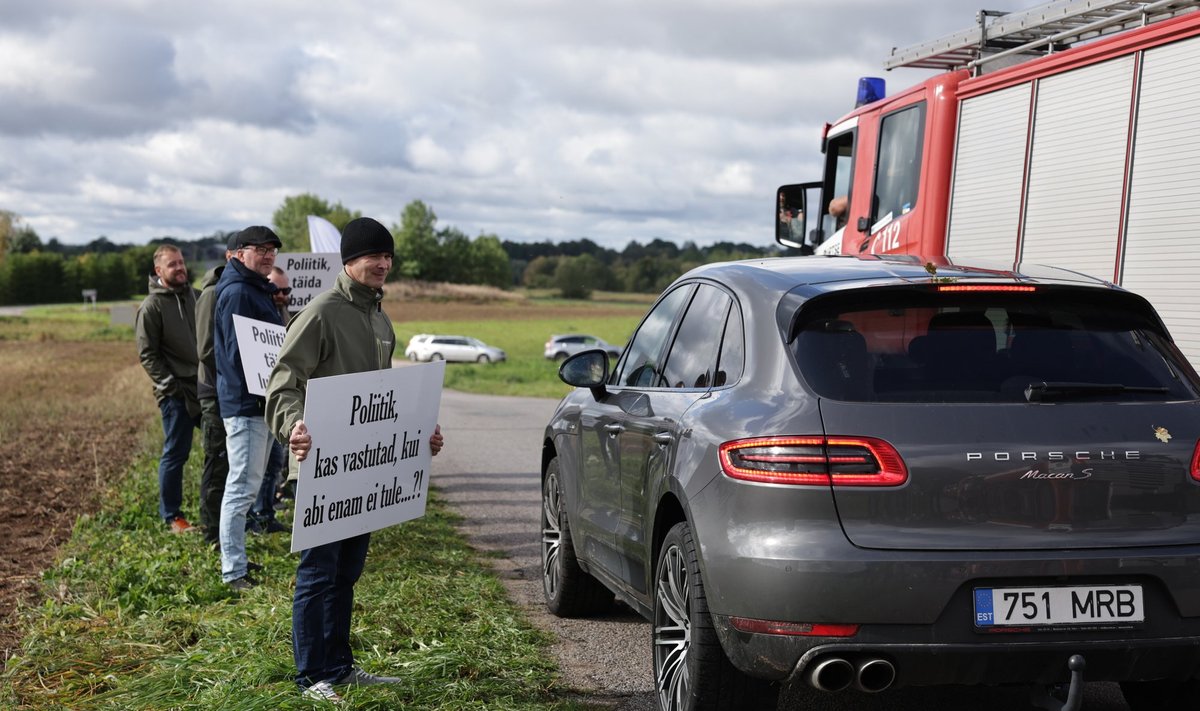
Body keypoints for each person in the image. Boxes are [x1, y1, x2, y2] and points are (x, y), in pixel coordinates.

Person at [265, 217, 444, 703]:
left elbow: (384, 399)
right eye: (372, 256)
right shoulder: (324, 312)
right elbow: (283, 380)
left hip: (364, 473)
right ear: (349, 261)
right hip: (321, 469)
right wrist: (293, 427)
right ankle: (310, 678)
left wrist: (418, 433)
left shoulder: (380, 317)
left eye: (387, 256)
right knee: (318, 573)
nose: (382, 263)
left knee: (346, 574)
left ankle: (339, 667)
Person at [213, 226, 285, 591]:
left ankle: (236, 559)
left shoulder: (252, 288)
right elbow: (241, 354)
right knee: (241, 486)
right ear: (240, 254)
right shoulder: (241, 292)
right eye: (260, 249)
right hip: (247, 404)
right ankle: (232, 572)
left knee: (248, 483)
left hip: (257, 401)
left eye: (272, 250)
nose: (269, 255)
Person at [135, 244, 200, 533]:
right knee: (176, 452)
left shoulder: (195, 297)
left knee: (220, 447)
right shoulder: (152, 306)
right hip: (176, 394)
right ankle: (172, 516)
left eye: (181, 262)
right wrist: (170, 386)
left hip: (204, 387)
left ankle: (219, 509)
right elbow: (147, 354)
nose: (180, 268)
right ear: (159, 271)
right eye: (172, 264)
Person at [195, 234, 237, 547]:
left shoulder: (238, 290)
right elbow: (208, 349)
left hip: (231, 390)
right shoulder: (212, 294)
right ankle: (211, 530)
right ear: (231, 256)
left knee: (231, 462)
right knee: (217, 458)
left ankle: (225, 525)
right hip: (214, 391)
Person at [248, 266, 294, 535]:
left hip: (277, 400)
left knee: (275, 462)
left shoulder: (282, 313)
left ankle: (266, 513)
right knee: (257, 467)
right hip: (259, 400)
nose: (283, 294)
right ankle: (253, 517)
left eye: (287, 290)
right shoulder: (259, 311)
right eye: (278, 289)